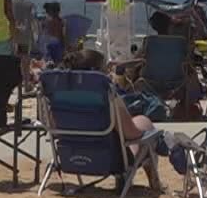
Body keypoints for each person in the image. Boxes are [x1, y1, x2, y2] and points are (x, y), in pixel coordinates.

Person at [61, 48, 164, 190]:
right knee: (144, 124)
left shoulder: (61, 96)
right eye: (106, 69)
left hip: (73, 156)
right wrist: (145, 128)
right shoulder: (106, 95)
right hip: (109, 159)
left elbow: (52, 126)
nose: (109, 73)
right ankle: (153, 183)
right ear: (97, 72)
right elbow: (131, 133)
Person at [10, 0, 37, 78]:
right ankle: (25, 85)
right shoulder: (30, 4)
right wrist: (34, 40)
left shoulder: (10, 2)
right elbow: (34, 22)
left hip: (13, 36)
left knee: (14, 63)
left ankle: (18, 87)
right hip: (25, 37)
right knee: (25, 63)